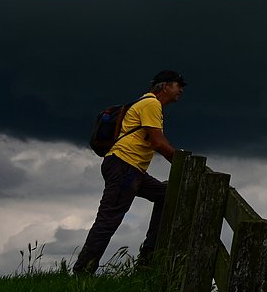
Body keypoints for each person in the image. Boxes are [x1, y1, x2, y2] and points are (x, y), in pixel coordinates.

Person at [73, 70, 186, 275]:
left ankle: (147, 262)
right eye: (178, 85)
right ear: (165, 86)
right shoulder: (151, 104)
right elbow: (157, 142)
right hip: (125, 165)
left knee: (168, 196)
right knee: (108, 219)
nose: (181, 90)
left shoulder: (147, 103)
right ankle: (82, 272)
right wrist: (185, 166)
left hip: (130, 168)